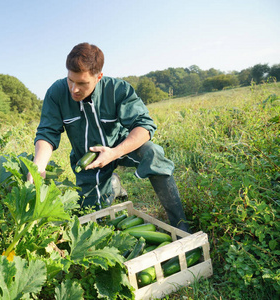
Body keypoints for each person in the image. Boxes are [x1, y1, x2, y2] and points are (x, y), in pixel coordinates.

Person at [28, 42, 189, 232]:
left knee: (153, 153)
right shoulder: (56, 92)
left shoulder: (118, 89)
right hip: (88, 160)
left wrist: (114, 153)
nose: (74, 89)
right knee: (95, 215)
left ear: (98, 78)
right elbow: (47, 132)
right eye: (71, 80)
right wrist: (39, 165)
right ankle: (113, 184)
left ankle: (181, 225)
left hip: (119, 147)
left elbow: (144, 127)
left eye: (82, 83)